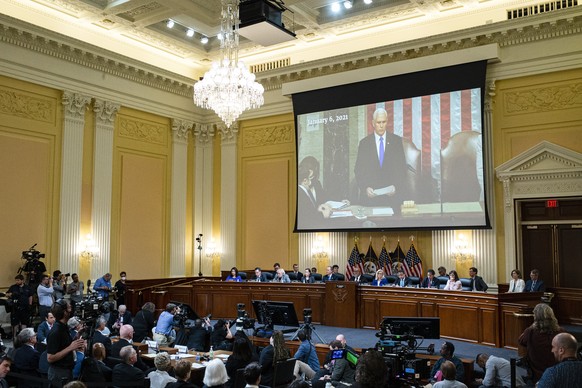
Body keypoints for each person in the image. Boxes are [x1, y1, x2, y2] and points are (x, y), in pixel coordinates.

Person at [354, 107, 409, 209]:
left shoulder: (396, 141)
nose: (381, 125)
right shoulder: (364, 143)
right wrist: (365, 188)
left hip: (392, 199)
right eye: (378, 122)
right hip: (370, 199)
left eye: (383, 122)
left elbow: (402, 169)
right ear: (373, 123)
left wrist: (396, 187)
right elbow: (358, 170)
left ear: (387, 122)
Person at [518, 303, 563, 383]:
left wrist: (532, 326)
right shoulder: (561, 332)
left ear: (535, 317)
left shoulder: (530, 331)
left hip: (536, 374)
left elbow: (521, 341)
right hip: (557, 373)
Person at [46, 299, 85, 387]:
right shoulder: (56, 331)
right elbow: (50, 358)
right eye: (69, 308)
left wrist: (78, 334)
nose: (71, 309)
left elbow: (64, 345)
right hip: (59, 373)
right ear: (64, 312)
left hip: (66, 370)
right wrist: (71, 347)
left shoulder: (63, 326)